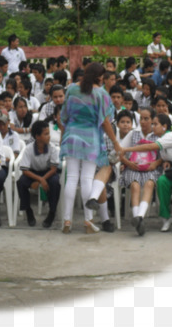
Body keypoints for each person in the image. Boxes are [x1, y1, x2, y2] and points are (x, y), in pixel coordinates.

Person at [120, 112, 172, 236]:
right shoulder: (162, 139)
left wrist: (127, 150)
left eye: (156, 124)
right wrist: (167, 161)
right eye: (153, 124)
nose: (153, 126)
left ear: (164, 126)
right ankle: (166, 218)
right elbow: (171, 155)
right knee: (162, 181)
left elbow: (151, 147)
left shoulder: (171, 136)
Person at [61, 62, 120, 233]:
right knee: (87, 180)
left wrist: (63, 138)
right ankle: (88, 221)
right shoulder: (101, 94)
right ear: (100, 77)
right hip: (91, 139)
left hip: (71, 136)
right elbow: (105, 122)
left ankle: (67, 221)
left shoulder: (71, 89)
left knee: (71, 178)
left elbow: (63, 116)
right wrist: (115, 142)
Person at [117, 106, 161, 236]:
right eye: (141, 118)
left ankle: (139, 217)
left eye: (146, 119)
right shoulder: (133, 133)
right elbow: (120, 151)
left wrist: (156, 163)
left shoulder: (157, 135)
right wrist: (128, 163)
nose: (143, 121)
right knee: (135, 186)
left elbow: (164, 156)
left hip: (150, 169)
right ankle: (137, 218)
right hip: (133, 168)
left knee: (149, 184)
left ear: (152, 120)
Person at [16, 120, 60, 228]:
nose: (49, 136)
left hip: (48, 172)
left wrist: (42, 179)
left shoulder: (52, 148)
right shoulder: (29, 149)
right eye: (46, 134)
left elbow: (53, 169)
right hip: (33, 172)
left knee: (55, 183)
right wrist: (39, 180)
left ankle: (52, 212)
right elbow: (25, 170)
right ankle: (28, 211)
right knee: (21, 182)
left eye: (49, 133)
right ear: (37, 136)